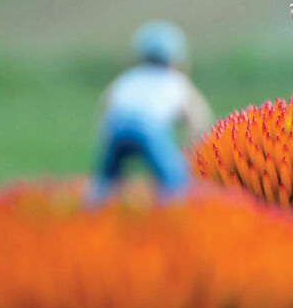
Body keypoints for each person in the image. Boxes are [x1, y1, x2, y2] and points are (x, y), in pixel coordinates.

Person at [90, 22, 212, 200]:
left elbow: (105, 112)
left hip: (117, 127)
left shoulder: (128, 78)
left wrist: (107, 148)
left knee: (105, 182)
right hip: (148, 129)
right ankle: (169, 217)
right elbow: (198, 118)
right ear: (175, 59)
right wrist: (189, 153)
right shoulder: (176, 81)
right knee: (173, 182)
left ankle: (91, 210)